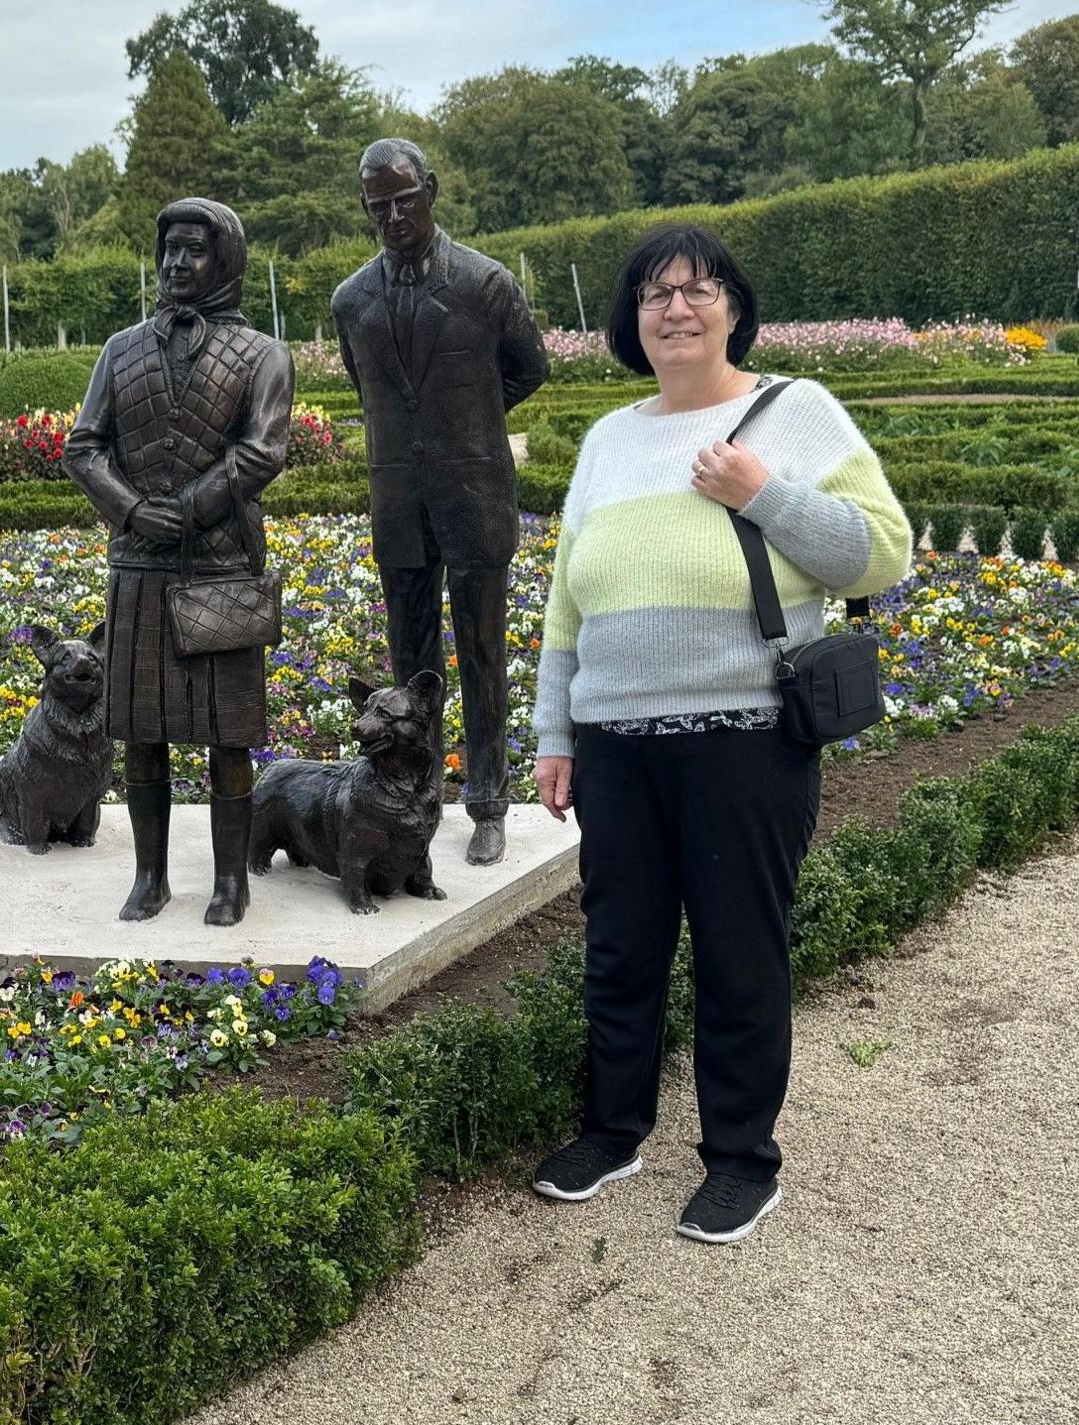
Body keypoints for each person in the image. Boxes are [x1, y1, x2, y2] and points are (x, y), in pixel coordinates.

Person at [525, 224, 911, 1245]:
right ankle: (613, 1131)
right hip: (613, 745)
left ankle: (742, 1158)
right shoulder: (607, 442)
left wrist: (762, 493)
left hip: (744, 737)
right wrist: (552, 733)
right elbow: (566, 606)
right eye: (653, 294)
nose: (676, 309)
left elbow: (881, 557)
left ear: (733, 305)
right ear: (629, 321)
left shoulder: (795, 413)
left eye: (696, 289)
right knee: (621, 950)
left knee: (740, 953)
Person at [64, 197, 294, 927]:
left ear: (222, 259)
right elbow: (83, 446)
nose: (176, 264)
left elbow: (262, 451)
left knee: (228, 735)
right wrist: (131, 510)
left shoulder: (263, 354)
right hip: (137, 566)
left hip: (221, 565)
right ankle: (150, 877)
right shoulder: (120, 348)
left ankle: (231, 883)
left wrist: (189, 509)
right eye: (168, 250)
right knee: (142, 733)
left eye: (193, 250)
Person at [331, 138, 550, 866]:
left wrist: (470, 423)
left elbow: (529, 369)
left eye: (405, 199)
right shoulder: (351, 300)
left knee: (484, 656)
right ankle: (414, 798)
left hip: (474, 494)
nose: (394, 215)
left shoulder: (486, 284)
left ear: (431, 189)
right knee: (410, 668)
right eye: (378, 205)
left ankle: (488, 801)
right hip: (399, 502)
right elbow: (374, 395)